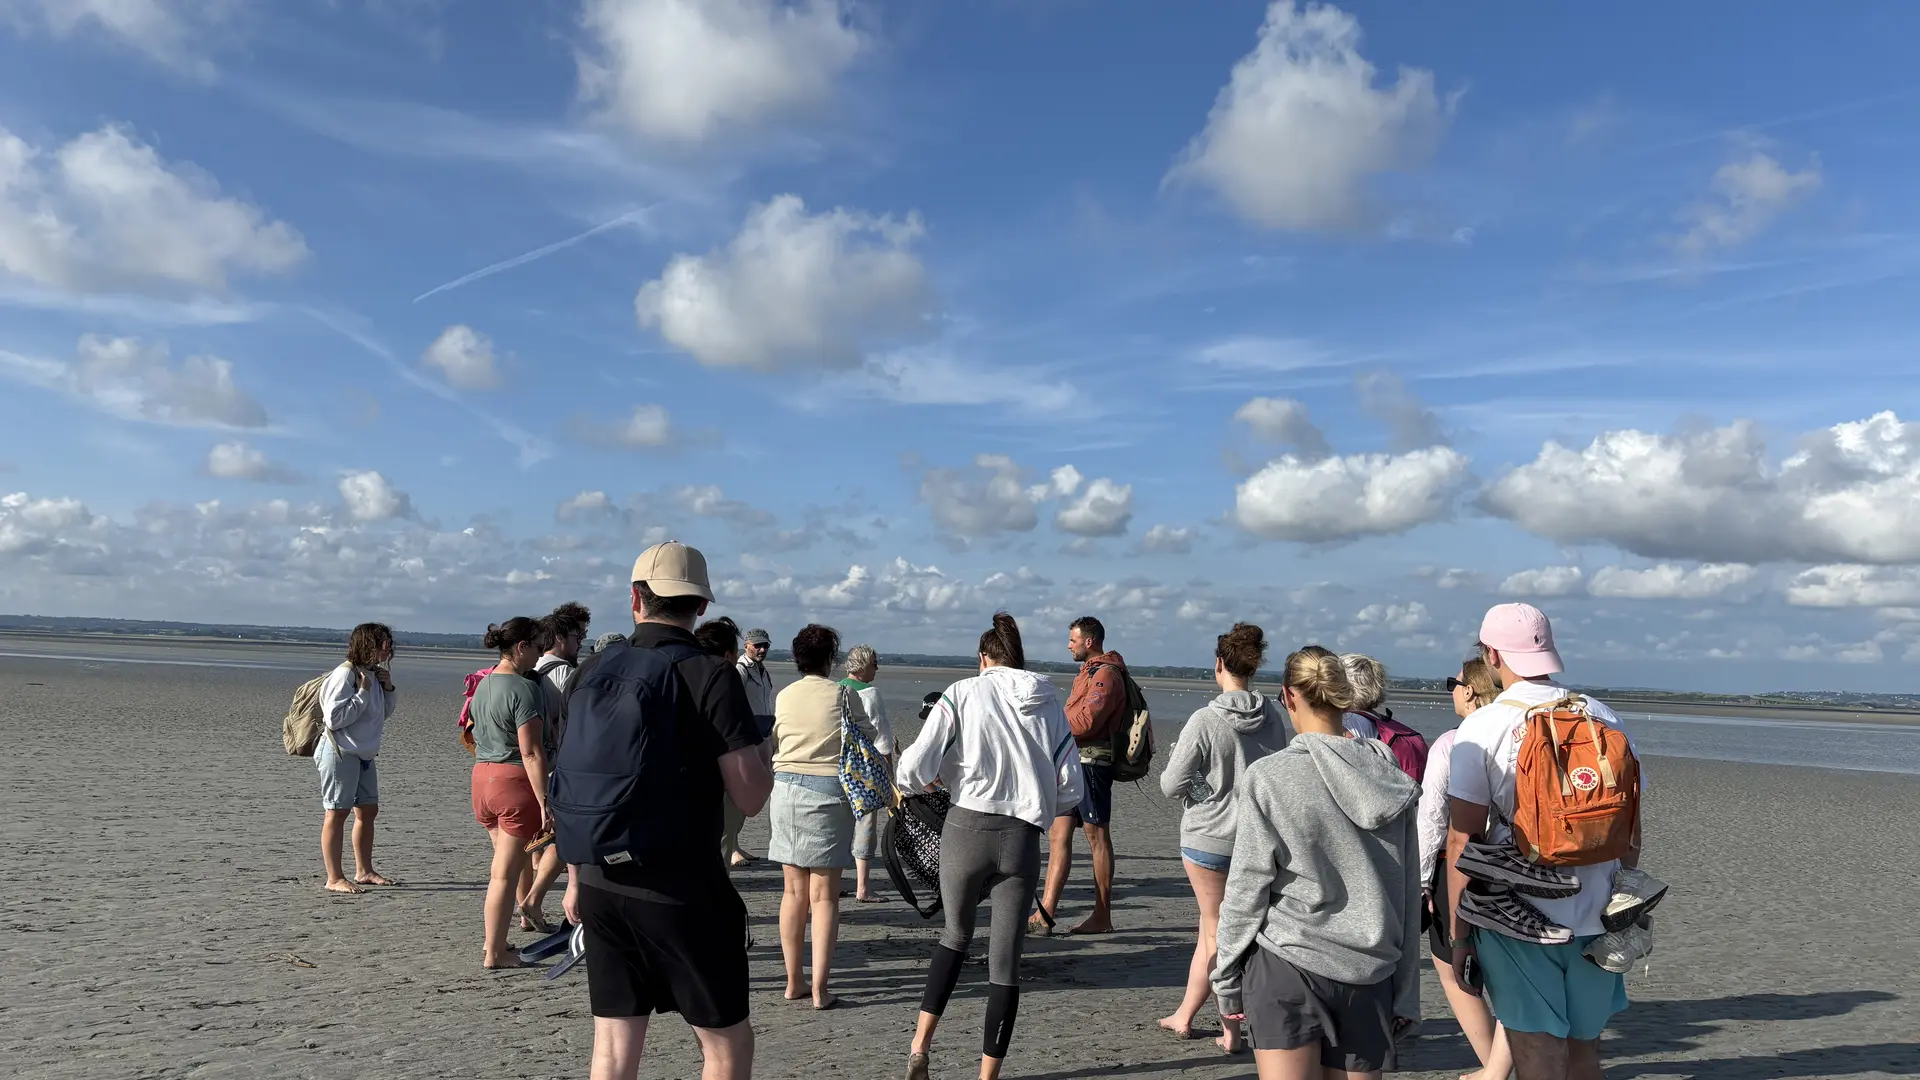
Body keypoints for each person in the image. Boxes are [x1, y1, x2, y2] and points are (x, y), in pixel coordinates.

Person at [558, 541, 773, 1080]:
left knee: (613, 1044)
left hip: (599, 879)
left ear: (636, 599)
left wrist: (574, 878)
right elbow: (750, 796)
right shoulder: (711, 674)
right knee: (725, 1044)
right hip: (681, 889)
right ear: (700, 607)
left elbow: (574, 782)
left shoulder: (592, 670)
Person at [1444, 604, 1643, 1080]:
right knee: (1584, 1054)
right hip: (1596, 915)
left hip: (1517, 921)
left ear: (1491, 654)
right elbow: (1630, 830)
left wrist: (1459, 933)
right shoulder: (1602, 716)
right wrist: (1618, 899)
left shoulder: (1485, 726)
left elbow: (1461, 839)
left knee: (1537, 1057)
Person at [1213, 645, 1421, 1080]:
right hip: (1369, 969)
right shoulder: (1391, 780)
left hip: (1286, 962)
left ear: (1288, 696)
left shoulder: (1269, 776)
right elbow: (1406, 893)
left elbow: (1247, 887)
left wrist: (1227, 979)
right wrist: (1405, 992)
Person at [898, 613, 1083, 1080]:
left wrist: (932, 780)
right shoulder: (1049, 701)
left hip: (966, 827)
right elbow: (1071, 787)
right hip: (1020, 837)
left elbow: (913, 768)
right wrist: (1036, 798)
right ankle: (987, 1076)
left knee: (954, 936)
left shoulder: (961, 692)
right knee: (1006, 961)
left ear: (984, 659)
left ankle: (920, 1046)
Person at [1156, 623, 1291, 1052]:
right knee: (1213, 930)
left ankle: (1231, 1031)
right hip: (1257, 838)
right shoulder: (1273, 716)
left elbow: (1170, 784)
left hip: (1209, 839)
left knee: (1219, 933)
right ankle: (1185, 1013)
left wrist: (1206, 791)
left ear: (1219, 664)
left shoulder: (1206, 719)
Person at [768, 623, 880, 1010]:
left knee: (793, 892)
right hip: (828, 790)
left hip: (784, 790)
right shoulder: (842, 694)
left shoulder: (783, 695)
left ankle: (792, 981)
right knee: (825, 896)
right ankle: (820, 989)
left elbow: (776, 739)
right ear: (831, 659)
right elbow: (870, 736)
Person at [1423, 657, 1510, 1080]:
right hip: (1515, 867)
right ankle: (1502, 1063)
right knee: (1514, 973)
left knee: (1452, 967)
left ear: (1470, 690)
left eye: (1453, 683)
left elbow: (1434, 820)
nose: (1452, 690)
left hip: (1460, 866)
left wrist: (1422, 880)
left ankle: (1491, 1066)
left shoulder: (1453, 742)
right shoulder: (1519, 735)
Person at [1032, 615, 1127, 935]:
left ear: (1089, 642)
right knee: (1058, 835)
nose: (1068, 645)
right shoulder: (1088, 672)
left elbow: (1088, 721)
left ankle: (1103, 914)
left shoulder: (1107, 675)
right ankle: (1045, 911)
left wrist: (1052, 726)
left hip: (1093, 765)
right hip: (1072, 762)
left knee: (1097, 837)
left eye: (1073, 640)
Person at [468, 616, 553, 967]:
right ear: (521, 647)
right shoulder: (523, 688)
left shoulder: (483, 684)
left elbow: (472, 731)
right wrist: (545, 801)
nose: (538, 655)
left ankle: (501, 941)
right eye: (536, 647)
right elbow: (531, 751)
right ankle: (495, 950)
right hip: (513, 781)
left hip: (482, 779)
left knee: (508, 867)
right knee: (503, 873)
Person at [523, 601, 591, 929]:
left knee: (544, 839)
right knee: (564, 837)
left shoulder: (534, 670)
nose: (582, 643)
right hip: (558, 763)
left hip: (533, 763)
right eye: (579, 636)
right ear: (561, 638)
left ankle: (531, 905)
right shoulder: (564, 673)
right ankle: (533, 901)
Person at [316, 622, 397, 894]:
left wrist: (388, 689)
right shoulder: (345, 675)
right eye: (382, 642)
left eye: (388, 642)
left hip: (364, 753)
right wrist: (362, 692)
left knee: (368, 810)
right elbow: (334, 719)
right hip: (340, 751)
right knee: (337, 812)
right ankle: (334, 877)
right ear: (367, 644)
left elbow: (381, 715)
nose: (388, 648)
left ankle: (364, 871)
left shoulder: (372, 675)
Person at [840, 643, 896, 902]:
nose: (877, 667)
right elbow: (882, 738)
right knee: (865, 826)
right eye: (874, 663)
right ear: (862, 666)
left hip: (839, 767)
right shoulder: (870, 694)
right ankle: (862, 886)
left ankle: (832, 880)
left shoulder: (836, 689)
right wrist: (890, 777)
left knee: (838, 827)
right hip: (866, 771)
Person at [727, 627, 777, 866]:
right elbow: (733, 703)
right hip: (747, 737)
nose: (762, 649)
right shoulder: (741, 669)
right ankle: (730, 847)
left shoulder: (762, 670)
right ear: (746, 644)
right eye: (757, 645)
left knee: (753, 792)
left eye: (765, 645)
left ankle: (736, 843)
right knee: (739, 793)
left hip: (763, 734)